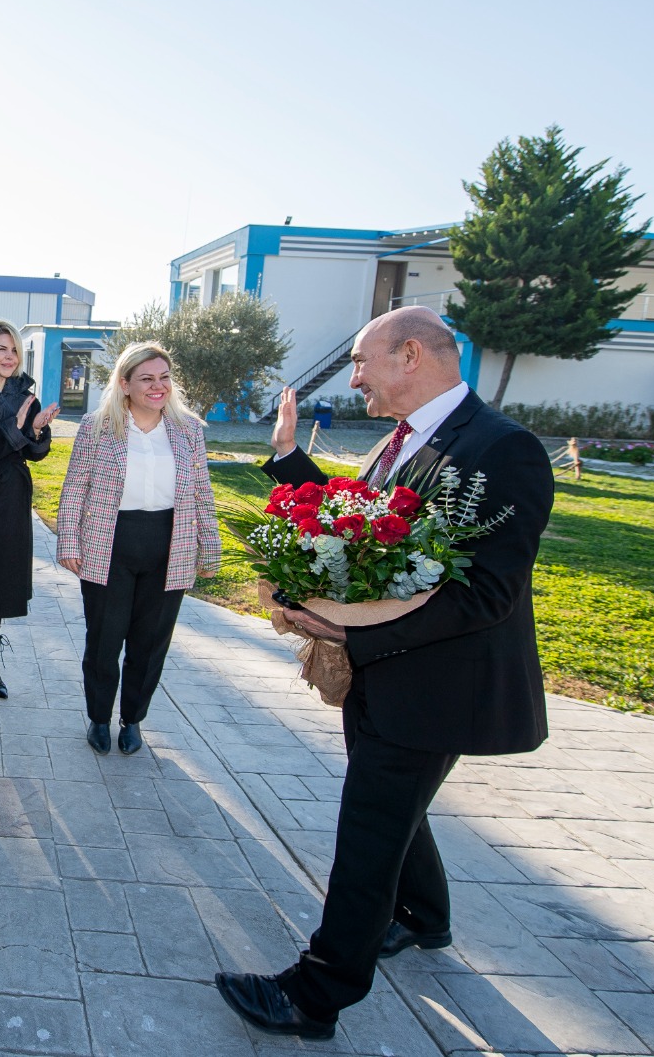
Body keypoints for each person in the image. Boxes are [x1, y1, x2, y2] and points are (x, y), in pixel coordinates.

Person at [215, 307, 555, 1041]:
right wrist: (288, 461)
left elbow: (487, 595)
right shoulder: (404, 439)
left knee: (371, 826)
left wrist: (355, 636)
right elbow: (358, 520)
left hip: (435, 688)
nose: (355, 379)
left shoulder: (503, 449)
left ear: (410, 355)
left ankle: (316, 994)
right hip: (388, 677)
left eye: (362, 363)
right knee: (397, 806)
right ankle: (423, 916)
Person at [56, 343, 219, 755]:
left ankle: (133, 719)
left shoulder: (189, 430)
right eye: (147, 378)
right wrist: (69, 540)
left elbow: (202, 493)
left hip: (169, 545)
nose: (157, 386)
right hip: (108, 544)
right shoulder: (96, 427)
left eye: (164, 377)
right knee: (104, 640)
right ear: (125, 384)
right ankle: (99, 717)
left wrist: (209, 549)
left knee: (150, 643)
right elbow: (75, 487)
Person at [0, 319, 60, 699]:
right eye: (1, 349)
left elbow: (36, 454)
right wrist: (17, 428)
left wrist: (37, 430)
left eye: (14, 351)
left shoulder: (26, 395)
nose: (9, 357)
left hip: (11, 494)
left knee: (2, 579)